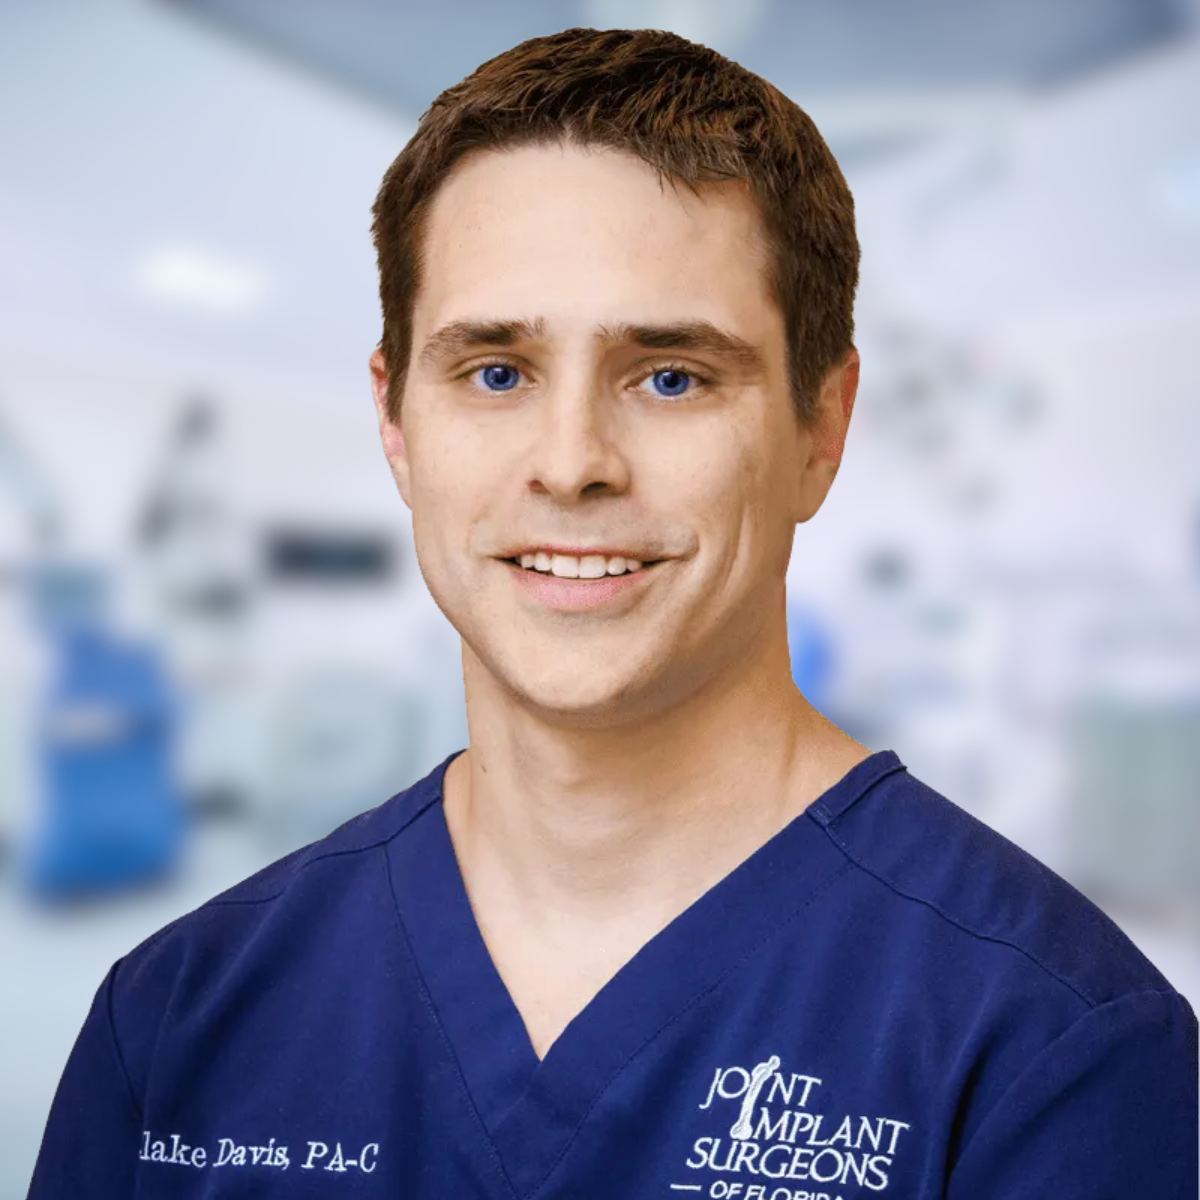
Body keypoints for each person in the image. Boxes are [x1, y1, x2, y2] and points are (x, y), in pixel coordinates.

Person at [29, 26, 1197, 1198]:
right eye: (496, 372)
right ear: (397, 423)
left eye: (671, 375)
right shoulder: (177, 1024)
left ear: (819, 430)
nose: (573, 463)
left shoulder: (1049, 1050)